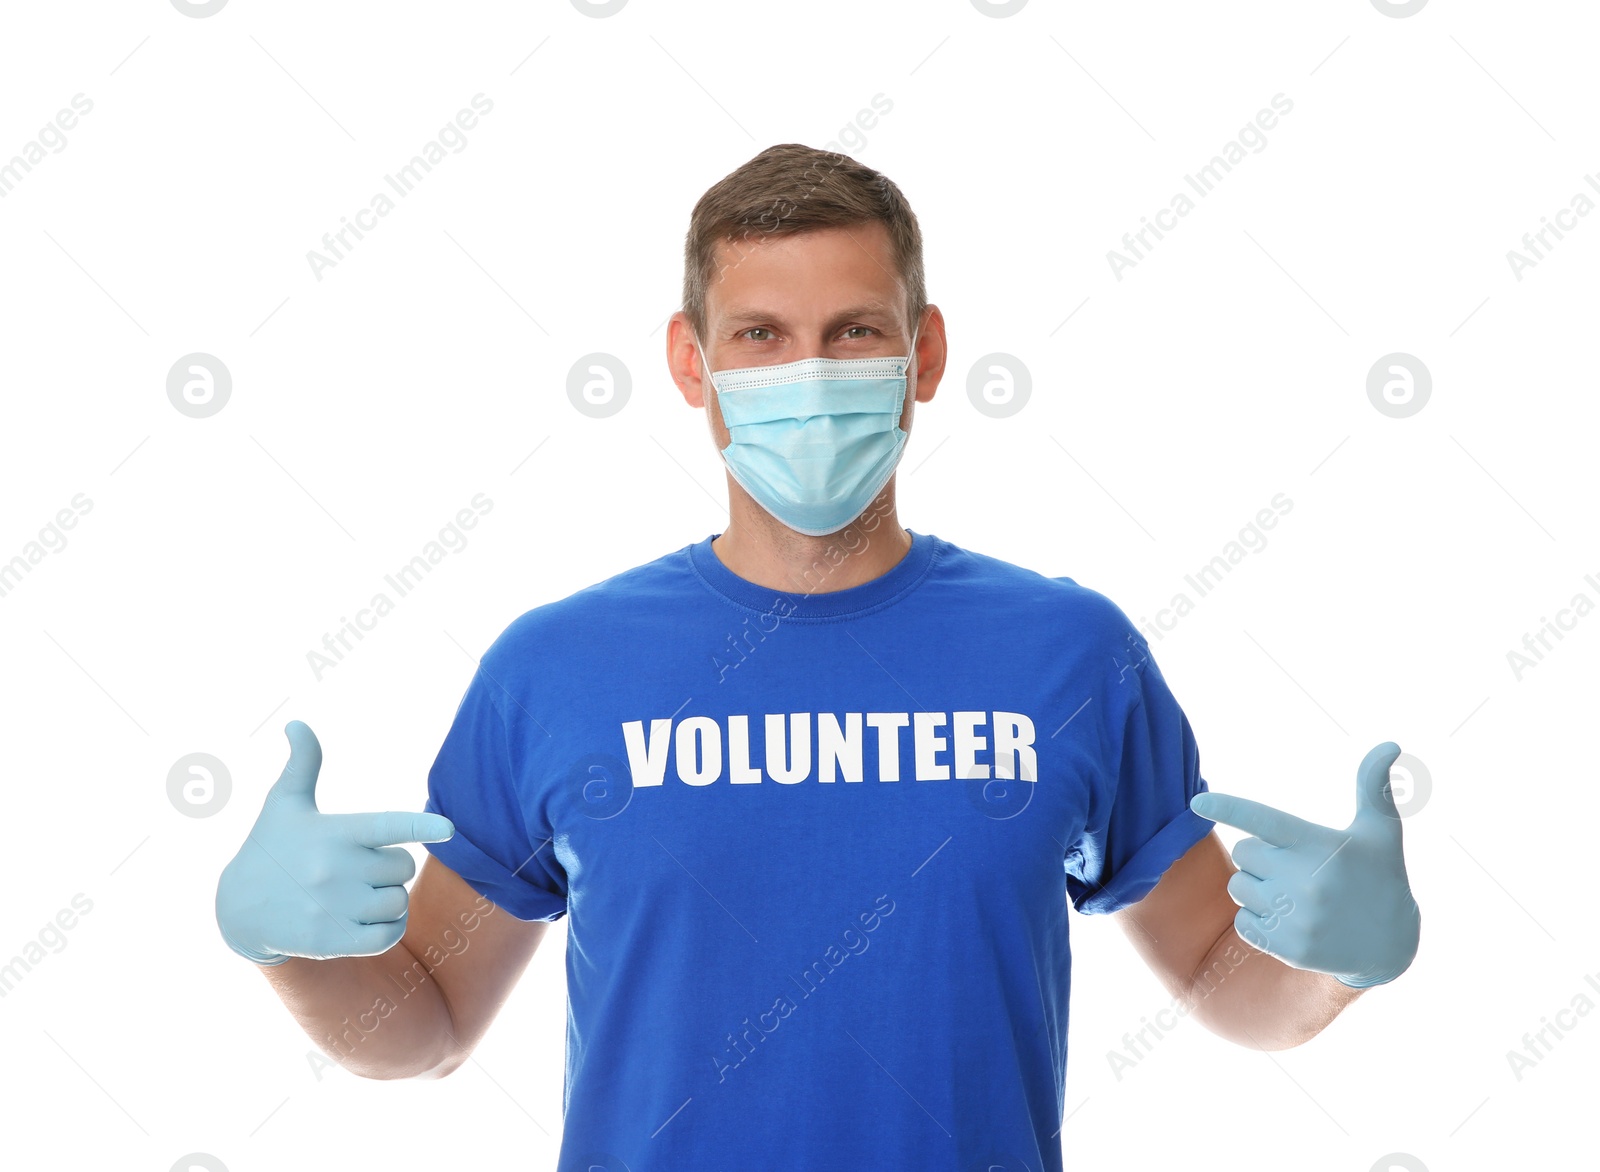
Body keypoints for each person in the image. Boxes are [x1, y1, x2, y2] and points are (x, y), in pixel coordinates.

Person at [215, 143, 1421, 1171]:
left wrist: (1336, 964)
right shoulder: (556, 668)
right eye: (761, 334)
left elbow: (1225, 978)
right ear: (692, 363)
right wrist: (290, 956)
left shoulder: (1068, 654)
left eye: (854, 331)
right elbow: (427, 1021)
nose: (811, 372)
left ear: (925, 354)